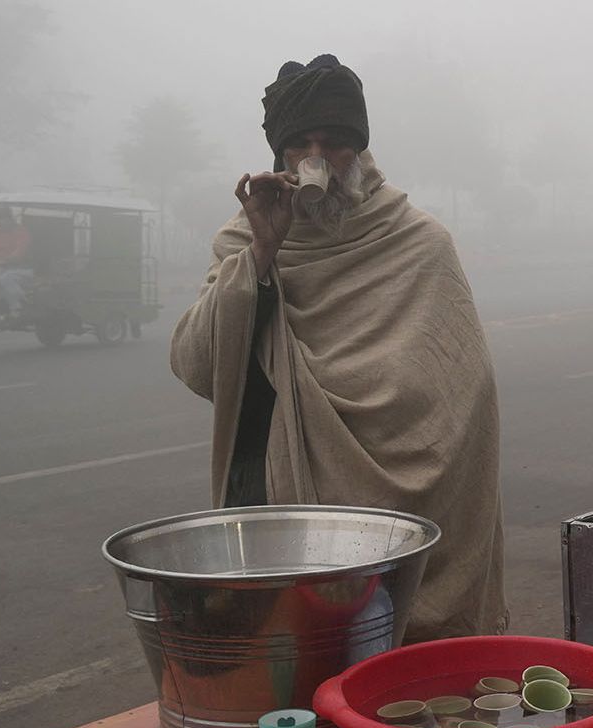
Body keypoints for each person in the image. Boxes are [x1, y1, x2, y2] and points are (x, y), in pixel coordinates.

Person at [170, 54, 505, 642]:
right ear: (280, 155)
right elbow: (198, 366)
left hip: (422, 511)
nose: (317, 158)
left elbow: (463, 394)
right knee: (304, 660)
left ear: (361, 148)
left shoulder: (419, 241)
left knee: (426, 681)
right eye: (300, 143)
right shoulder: (245, 237)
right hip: (292, 488)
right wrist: (261, 255)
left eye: (335, 142)